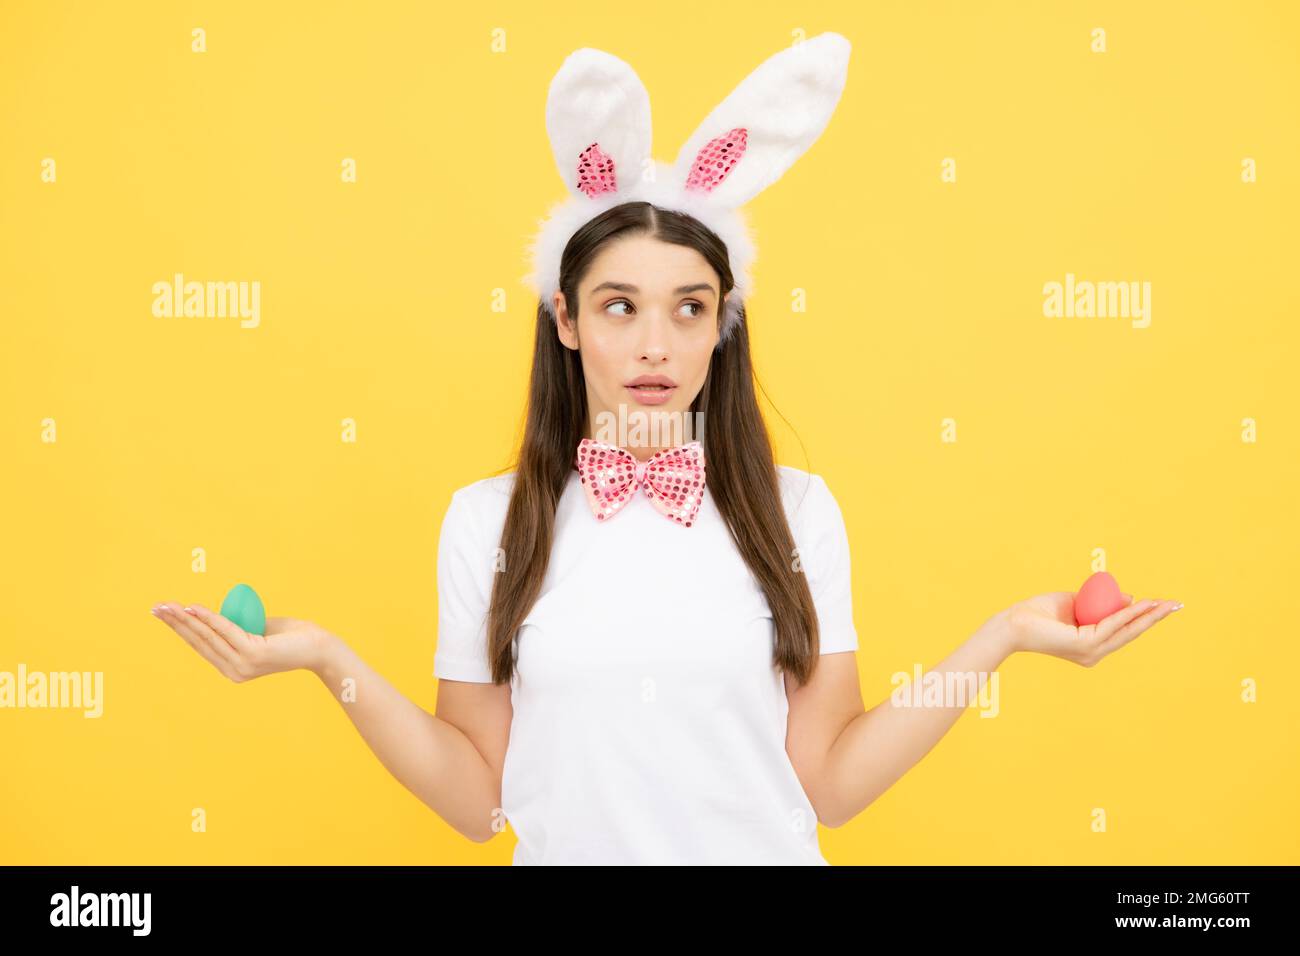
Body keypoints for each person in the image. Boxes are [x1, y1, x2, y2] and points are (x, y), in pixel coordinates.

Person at [150, 33, 1183, 865]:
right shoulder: (486, 521)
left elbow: (829, 781)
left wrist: (999, 636)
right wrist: (328, 658)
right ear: (564, 317)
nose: (655, 343)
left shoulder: (797, 509)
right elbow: (477, 800)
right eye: (618, 306)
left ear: (722, 320)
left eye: (689, 308)